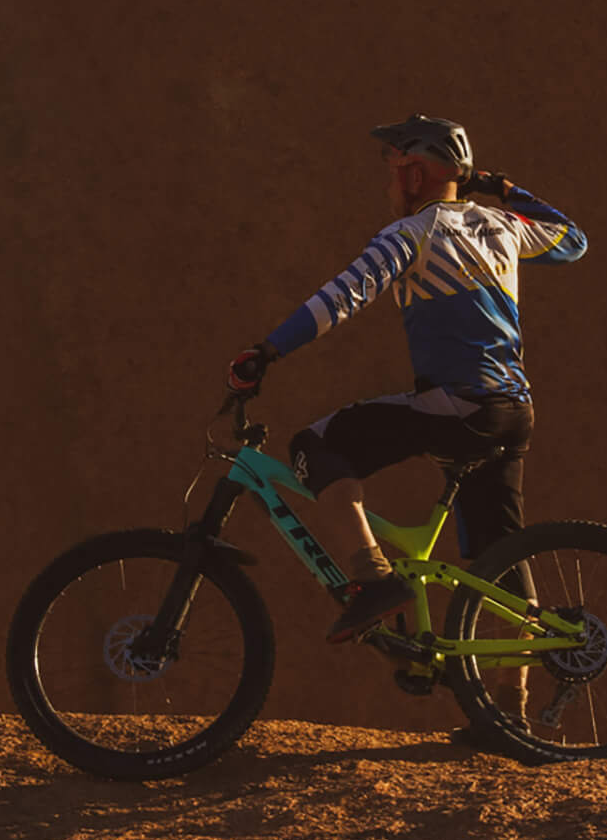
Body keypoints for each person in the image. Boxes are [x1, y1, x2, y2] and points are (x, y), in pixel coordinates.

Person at [226, 116, 587, 645]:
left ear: (415, 176)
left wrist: (267, 350)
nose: (388, 185)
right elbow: (572, 240)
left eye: (393, 170)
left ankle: (373, 579)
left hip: (459, 406)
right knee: (499, 556)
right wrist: (505, 188)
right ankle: (512, 714)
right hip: (512, 410)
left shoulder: (412, 235)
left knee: (316, 443)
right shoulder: (504, 225)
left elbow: (342, 296)